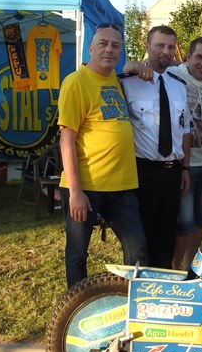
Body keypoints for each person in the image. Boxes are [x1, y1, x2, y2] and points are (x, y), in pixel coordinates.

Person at [57, 23, 148, 288]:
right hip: (87, 184)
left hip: (122, 186)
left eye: (115, 45)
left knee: (138, 250)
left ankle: (133, 300)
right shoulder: (76, 82)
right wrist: (75, 192)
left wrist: (136, 66)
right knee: (77, 253)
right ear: (90, 48)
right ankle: (76, 304)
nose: (109, 49)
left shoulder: (116, 80)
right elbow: (67, 139)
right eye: (103, 44)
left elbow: (130, 68)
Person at [121, 25, 191, 268]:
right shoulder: (128, 83)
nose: (166, 51)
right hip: (143, 170)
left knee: (166, 235)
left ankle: (161, 280)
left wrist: (185, 169)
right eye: (160, 45)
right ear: (148, 46)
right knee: (140, 236)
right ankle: (137, 281)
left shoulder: (179, 85)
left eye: (171, 47)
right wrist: (131, 66)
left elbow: (185, 130)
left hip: (173, 172)